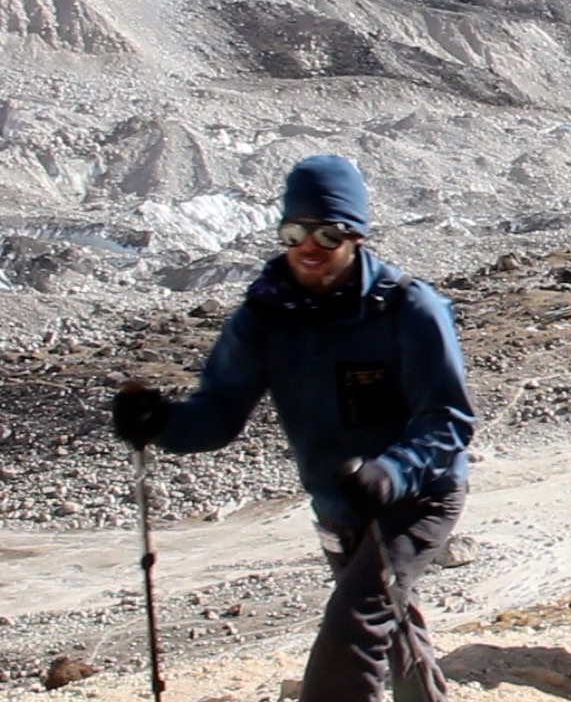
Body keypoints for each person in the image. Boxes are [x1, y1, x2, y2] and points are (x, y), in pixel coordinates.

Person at [111, 155, 475, 702]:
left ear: (355, 235)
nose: (310, 245)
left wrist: (390, 474)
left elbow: (449, 418)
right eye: (296, 231)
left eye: (328, 233)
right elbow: (219, 412)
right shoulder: (265, 317)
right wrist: (162, 422)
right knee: (392, 629)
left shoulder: (407, 308)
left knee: (352, 629)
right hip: (339, 504)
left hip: (418, 498)